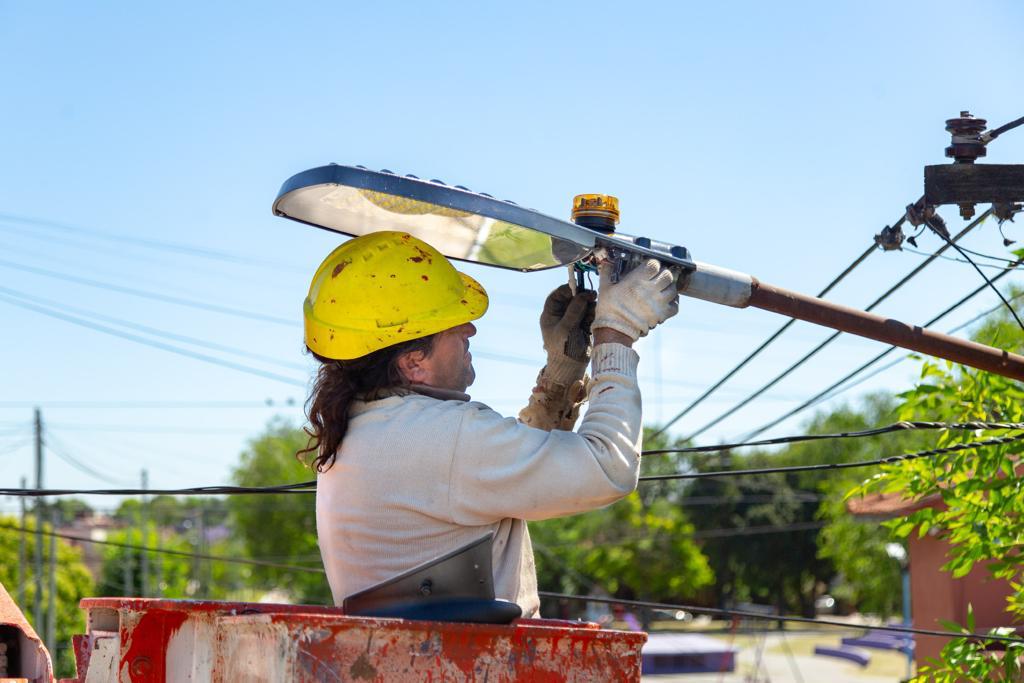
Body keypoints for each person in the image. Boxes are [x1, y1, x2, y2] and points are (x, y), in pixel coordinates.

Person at [303, 230, 678, 617]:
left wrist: (560, 376)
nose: (470, 330)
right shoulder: (443, 436)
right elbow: (608, 467)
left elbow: (498, 469)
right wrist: (616, 332)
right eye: (452, 323)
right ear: (413, 361)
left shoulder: (367, 429)